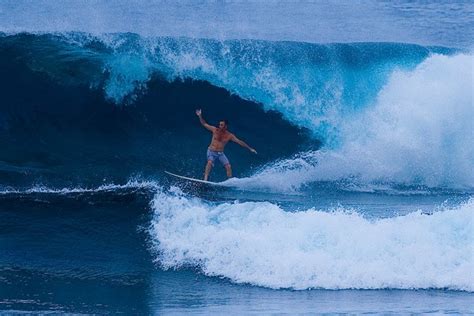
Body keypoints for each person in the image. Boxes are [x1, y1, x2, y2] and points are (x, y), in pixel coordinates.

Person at [196, 109, 257, 181]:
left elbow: (239, 141)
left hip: (220, 153)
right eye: (219, 124)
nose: (219, 126)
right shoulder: (214, 130)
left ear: (225, 126)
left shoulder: (229, 135)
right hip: (211, 151)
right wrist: (200, 116)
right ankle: (205, 179)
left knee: (228, 166)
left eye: (221, 125)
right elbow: (204, 124)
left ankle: (230, 181)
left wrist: (250, 148)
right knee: (209, 162)